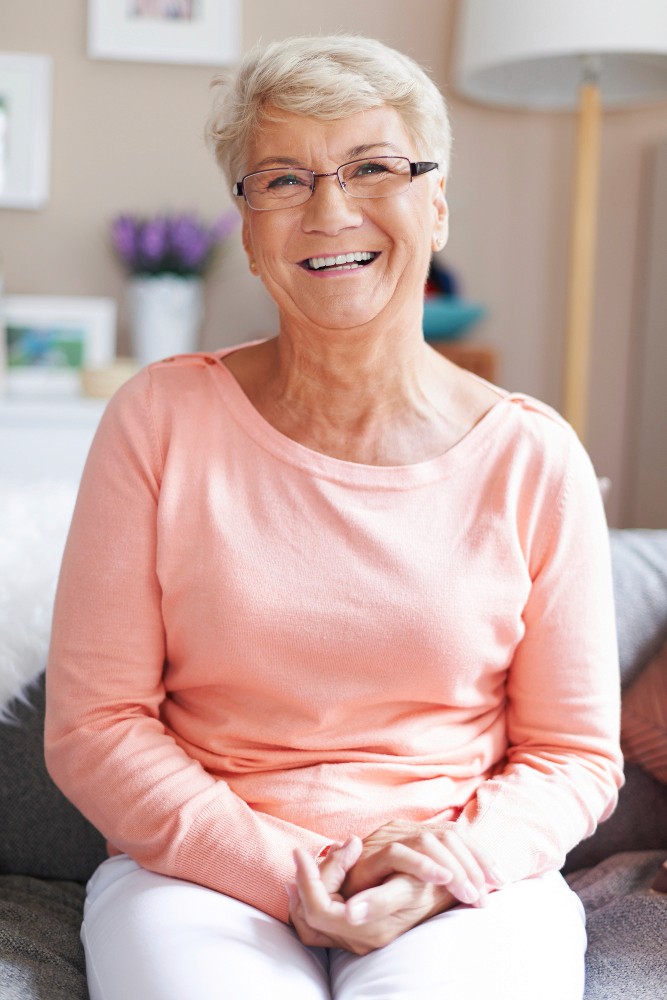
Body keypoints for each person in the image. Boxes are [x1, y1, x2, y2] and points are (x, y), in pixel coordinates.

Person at [45, 34, 623, 1000]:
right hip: (201, 875)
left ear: (435, 205)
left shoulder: (534, 455)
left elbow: (571, 754)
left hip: (460, 874)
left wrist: (447, 865)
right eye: (282, 179)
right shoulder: (157, 419)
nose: (330, 210)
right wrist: (289, 871)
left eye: (372, 168)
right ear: (247, 229)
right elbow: (96, 725)